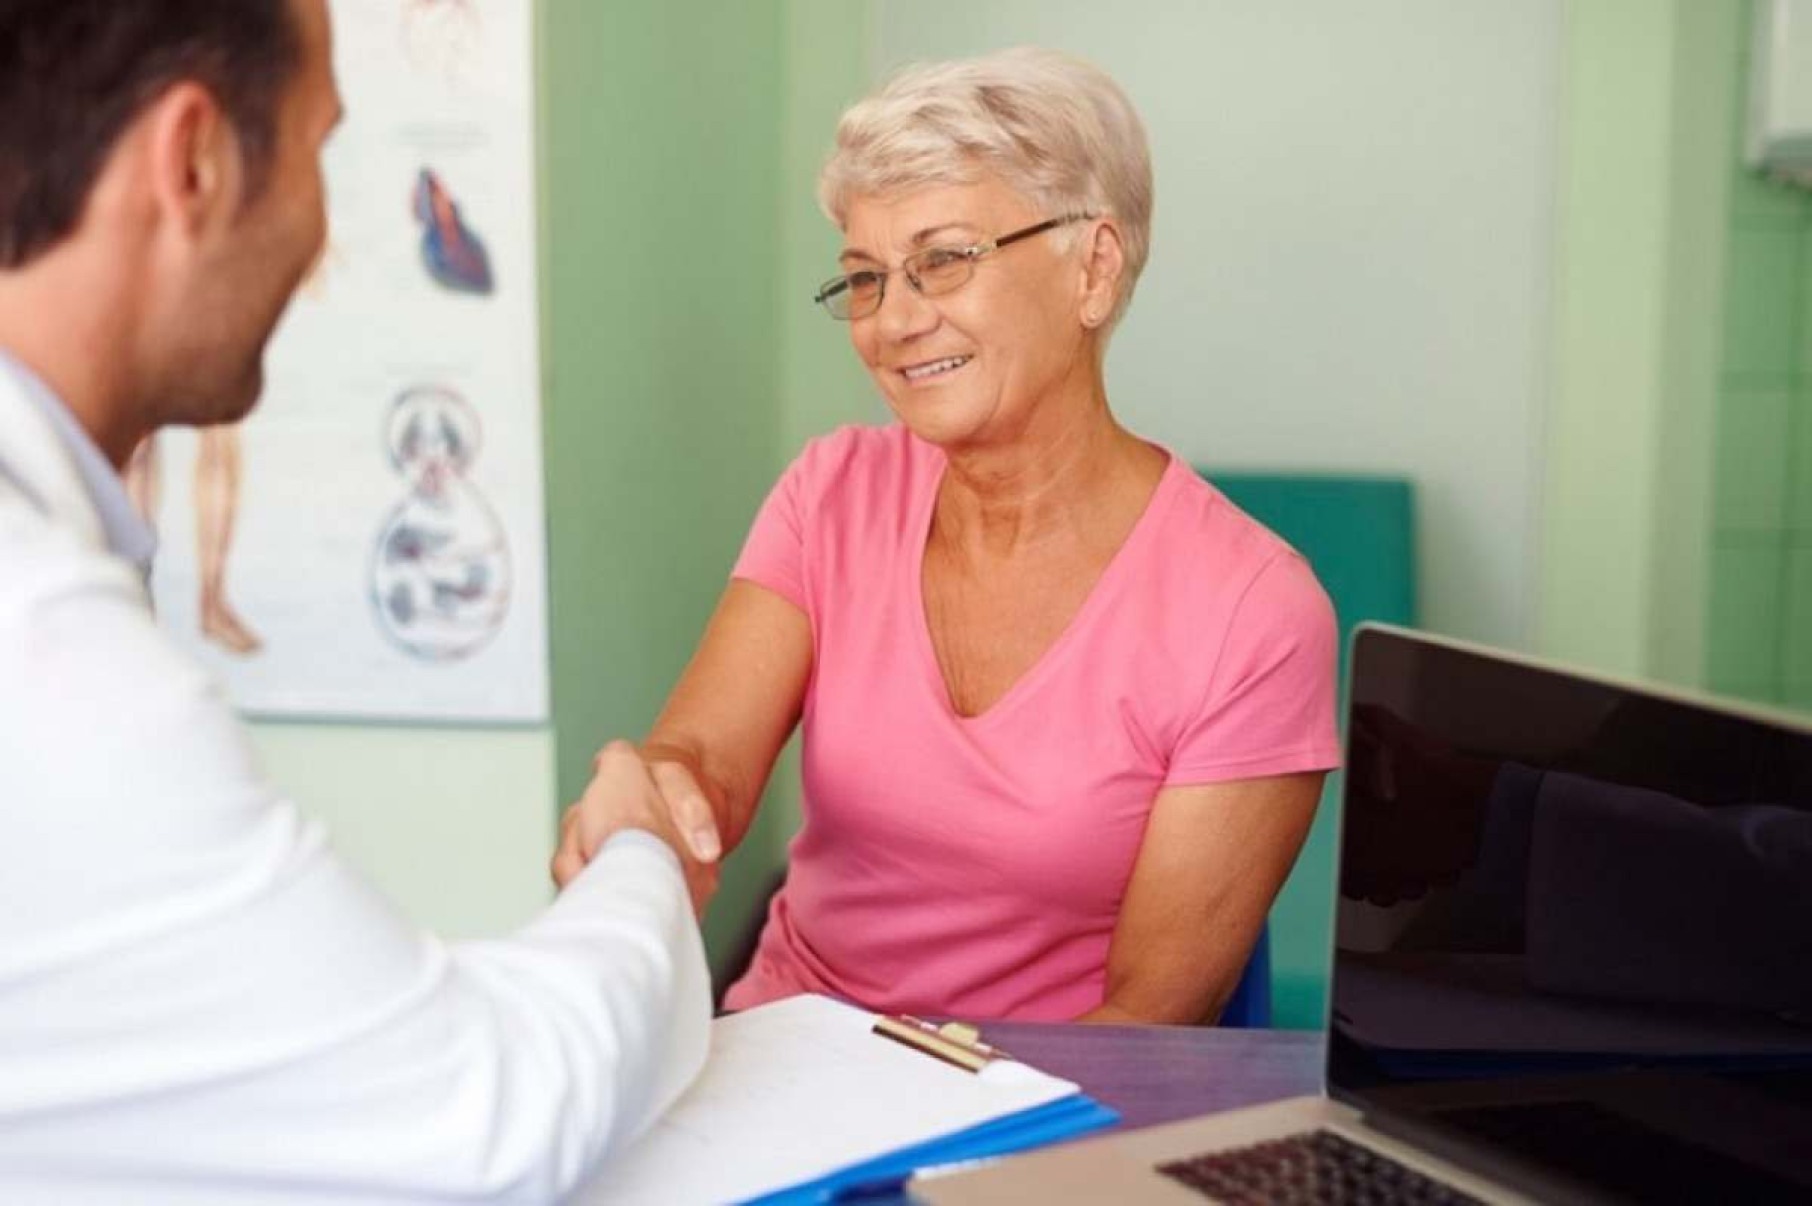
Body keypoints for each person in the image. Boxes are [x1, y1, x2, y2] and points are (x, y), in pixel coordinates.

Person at [0, 1, 710, 1199]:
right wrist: (642, 855)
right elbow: (483, 1117)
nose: (320, 231)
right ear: (196, 161)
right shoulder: (49, 653)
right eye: (321, 148)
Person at [554, 48, 1342, 1025]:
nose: (894, 321)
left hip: (1031, 1120)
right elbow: (705, 765)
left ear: (1092, 267)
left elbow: (1150, 1025)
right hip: (782, 1058)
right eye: (866, 278)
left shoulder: (1250, 612)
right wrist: (648, 810)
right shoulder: (833, 492)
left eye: (944, 260)